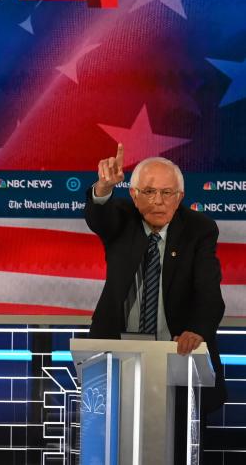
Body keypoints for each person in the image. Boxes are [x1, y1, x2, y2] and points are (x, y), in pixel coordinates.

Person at [87, 144, 227, 458]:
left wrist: (198, 332)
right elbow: (99, 216)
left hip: (177, 363)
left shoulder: (199, 230)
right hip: (117, 363)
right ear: (134, 195)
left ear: (180, 197)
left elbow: (209, 295)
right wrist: (104, 188)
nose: (158, 201)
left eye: (167, 192)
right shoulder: (121, 219)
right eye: (149, 191)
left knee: (175, 452)